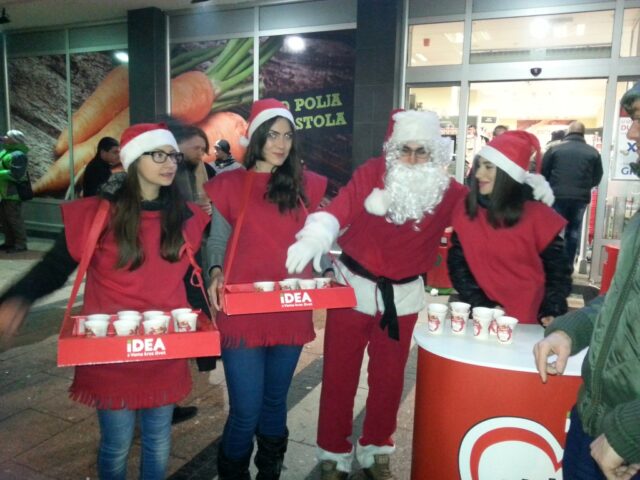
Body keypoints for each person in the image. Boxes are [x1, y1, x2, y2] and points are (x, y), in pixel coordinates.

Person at [0, 123, 210, 479]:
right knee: (116, 444)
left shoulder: (185, 215)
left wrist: (205, 341)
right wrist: (18, 297)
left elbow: (192, 278)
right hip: (111, 352)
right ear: (133, 160)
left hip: (164, 348)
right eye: (158, 155)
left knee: (159, 438)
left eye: (172, 155)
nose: (169, 163)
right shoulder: (97, 214)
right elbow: (54, 267)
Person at [286, 109, 467, 479]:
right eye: (405, 150)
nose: (412, 159)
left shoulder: (448, 192)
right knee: (339, 375)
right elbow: (342, 207)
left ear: (435, 153)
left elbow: (487, 222)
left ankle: (376, 450)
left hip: (402, 298)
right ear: (392, 150)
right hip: (353, 287)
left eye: (421, 151)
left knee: (389, 380)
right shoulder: (371, 173)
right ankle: (333, 453)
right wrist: (316, 236)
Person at [204, 98, 327, 479]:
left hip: (290, 308)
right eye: (272, 135)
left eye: (287, 136)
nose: (281, 143)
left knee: (274, 402)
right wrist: (215, 270)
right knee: (246, 410)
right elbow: (217, 240)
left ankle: (269, 470)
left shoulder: (304, 187)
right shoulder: (229, 184)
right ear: (256, 137)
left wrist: (330, 264)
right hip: (242, 311)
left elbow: (325, 233)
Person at [533, 83, 640, 480]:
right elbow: (624, 298)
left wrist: (631, 431)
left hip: (625, 436)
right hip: (596, 416)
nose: (631, 134)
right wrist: (571, 329)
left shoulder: (554, 155)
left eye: (639, 120)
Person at [447, 130, 572, 327]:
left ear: (508, 173)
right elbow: (458, 266)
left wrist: (551, 308)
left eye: (489, 167)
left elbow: (558, 272)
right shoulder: (466, 211)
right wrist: (482, 304)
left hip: (529, 319)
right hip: (480, 316)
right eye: (479, 166)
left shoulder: (537, 215)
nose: (478, 174)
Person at [168, 122, 217, 425]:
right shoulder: (167, 173)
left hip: (191, 256)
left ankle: (169, 398)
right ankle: (166, 401)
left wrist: (206, 213)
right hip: (170, 262)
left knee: (188, 317)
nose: (201, 153)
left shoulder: (202, 171)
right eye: (196, 147)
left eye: (203, 148)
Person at [542, 121, 603, 267]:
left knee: (554, 230)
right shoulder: (593, 152)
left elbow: (543, 171)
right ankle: (568, 265)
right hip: (580, 198)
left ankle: (552, 264)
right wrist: (585, 186)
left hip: (556, 195)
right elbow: (597, 176)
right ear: (583, 133)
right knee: (573, 231)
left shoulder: (554, 149)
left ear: (568, 132)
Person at [0, 130, 29, 253]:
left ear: (14, 140)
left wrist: (0, 173)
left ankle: (21, 244)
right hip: (3, 192)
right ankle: (9, 242)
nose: (4, 137)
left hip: (13, 192)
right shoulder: (6, 152)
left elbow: (17, 174)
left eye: (8, 136)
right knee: (5, 219)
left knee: (14, 219)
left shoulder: (18, 155)